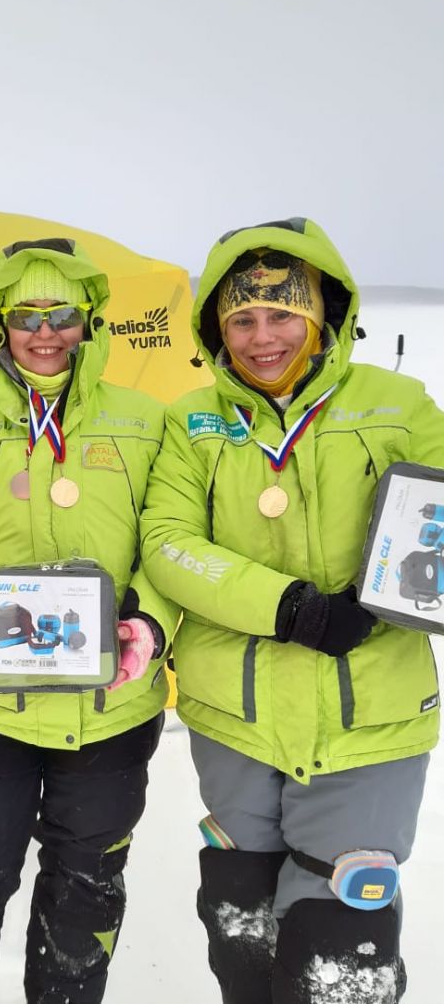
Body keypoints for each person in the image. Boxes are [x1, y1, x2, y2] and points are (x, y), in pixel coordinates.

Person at [139, 216, 444, 1004]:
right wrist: (289, 607)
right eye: (242, 318)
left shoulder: (399, 404)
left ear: (323, 315)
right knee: (241, 929)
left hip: (370, 713)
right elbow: (168, 542)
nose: (263, 337)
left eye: (283, 314)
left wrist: (393, 591)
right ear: (216, 328)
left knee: (341, 944)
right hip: (236, 717)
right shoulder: (191, 421)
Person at [0, 237, 180, 1003]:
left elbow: (170, 543)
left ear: (91, 322)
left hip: (112, 705)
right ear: (0, 322)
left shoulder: (148, 420)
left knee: (86, 884)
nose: (44, 333)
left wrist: (149, 625)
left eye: (61, 315)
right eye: (25, 316)